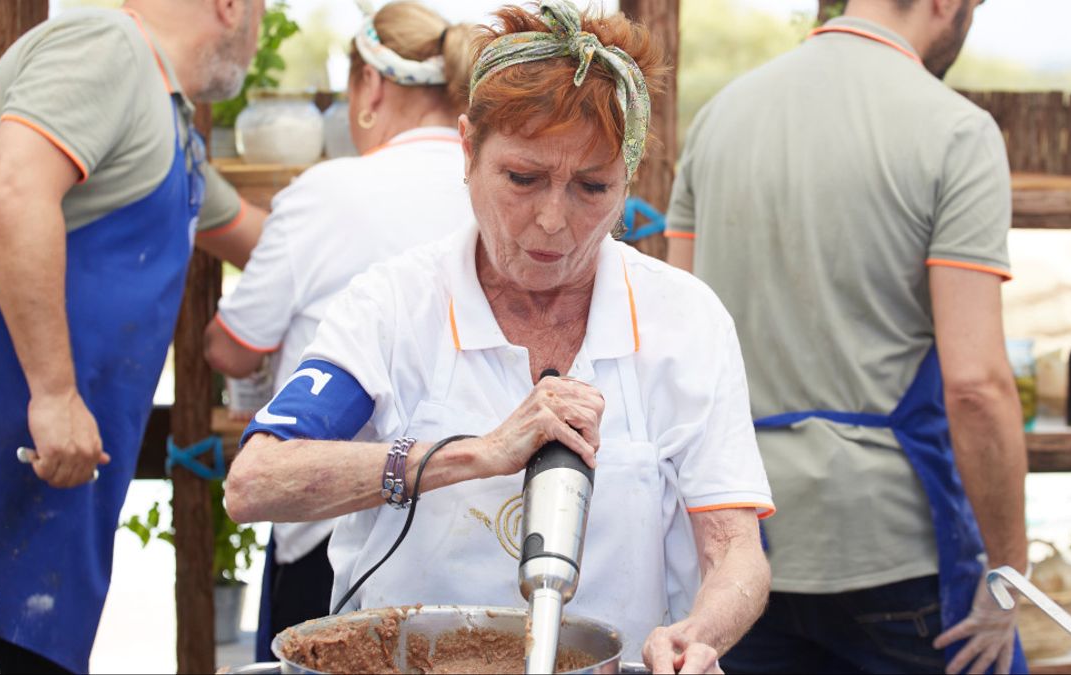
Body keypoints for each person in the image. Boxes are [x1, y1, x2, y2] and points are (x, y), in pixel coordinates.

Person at [224, 2, 774, 672]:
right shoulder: (394, 307)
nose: (552, 221)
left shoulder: (683, 320)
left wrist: (700, 632)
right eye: (523, 178)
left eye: (592, 187)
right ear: (467, 150)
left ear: (628, 179)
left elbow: (734, 549)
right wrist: (474, 454)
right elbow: (256, 483)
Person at [665, 0, 1029, 673]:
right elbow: (975, 385)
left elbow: (677, 339)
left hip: (736, 541)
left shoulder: (718, 119)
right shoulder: (956, 132)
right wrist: (1009, 573)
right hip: (888, 549)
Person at [0, 0, 268, 671]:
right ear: (231, 7)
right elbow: (12, 191)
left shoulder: (168, 120)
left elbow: (264, 240)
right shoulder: (107, 48)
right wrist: (54, 393)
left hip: (45, 506)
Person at [202, 0, 476, 660]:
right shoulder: (498, 186)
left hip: (336, 529)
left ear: (369, 86)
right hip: (479, 520)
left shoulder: (327, 193)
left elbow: (234, 348)